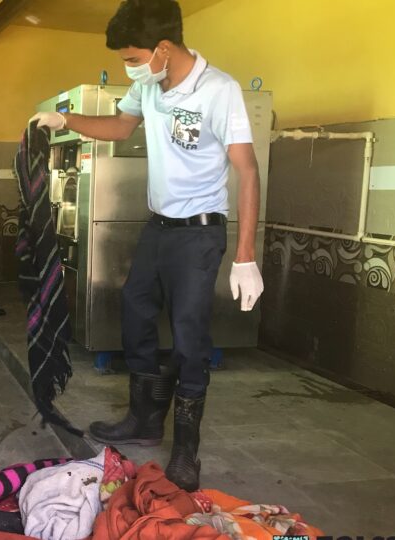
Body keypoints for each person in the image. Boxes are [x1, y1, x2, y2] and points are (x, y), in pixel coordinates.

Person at [31, 0, 264, 492]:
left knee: (189, 335)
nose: (128, 67)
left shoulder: (219, 90)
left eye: (132, 57)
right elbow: (119, 126)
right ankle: (143, 418)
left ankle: (185, 449)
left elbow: (247, 169)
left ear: (162, 48)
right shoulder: (148, 83)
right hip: (158, 228)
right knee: (135, 311)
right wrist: (65, 121)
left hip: (200, 233)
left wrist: (245, 255)